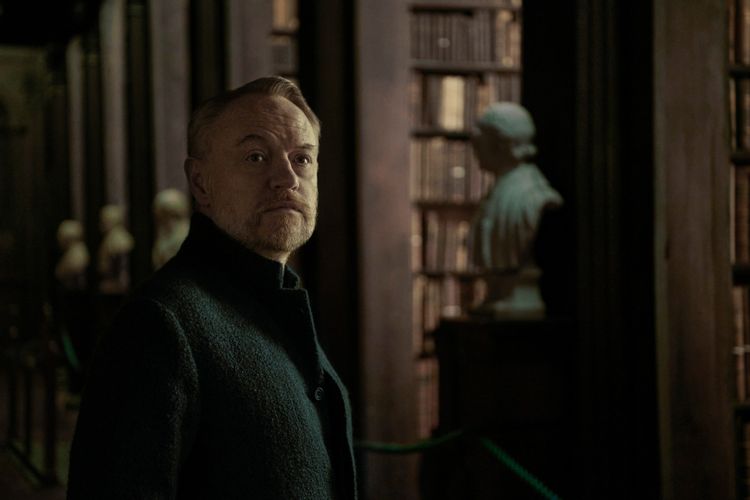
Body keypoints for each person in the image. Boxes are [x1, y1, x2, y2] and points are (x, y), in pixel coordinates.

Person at [67, 77, 357, 499]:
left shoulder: (280, 301)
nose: (286, 178)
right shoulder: (160, 325)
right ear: (200, 182)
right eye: (256, 157)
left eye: (302, 158)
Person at [469, 102, 563, 317]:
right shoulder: (497, 192)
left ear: (501, 144)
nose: (475, 147)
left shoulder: (531, 197)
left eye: (481, 139)